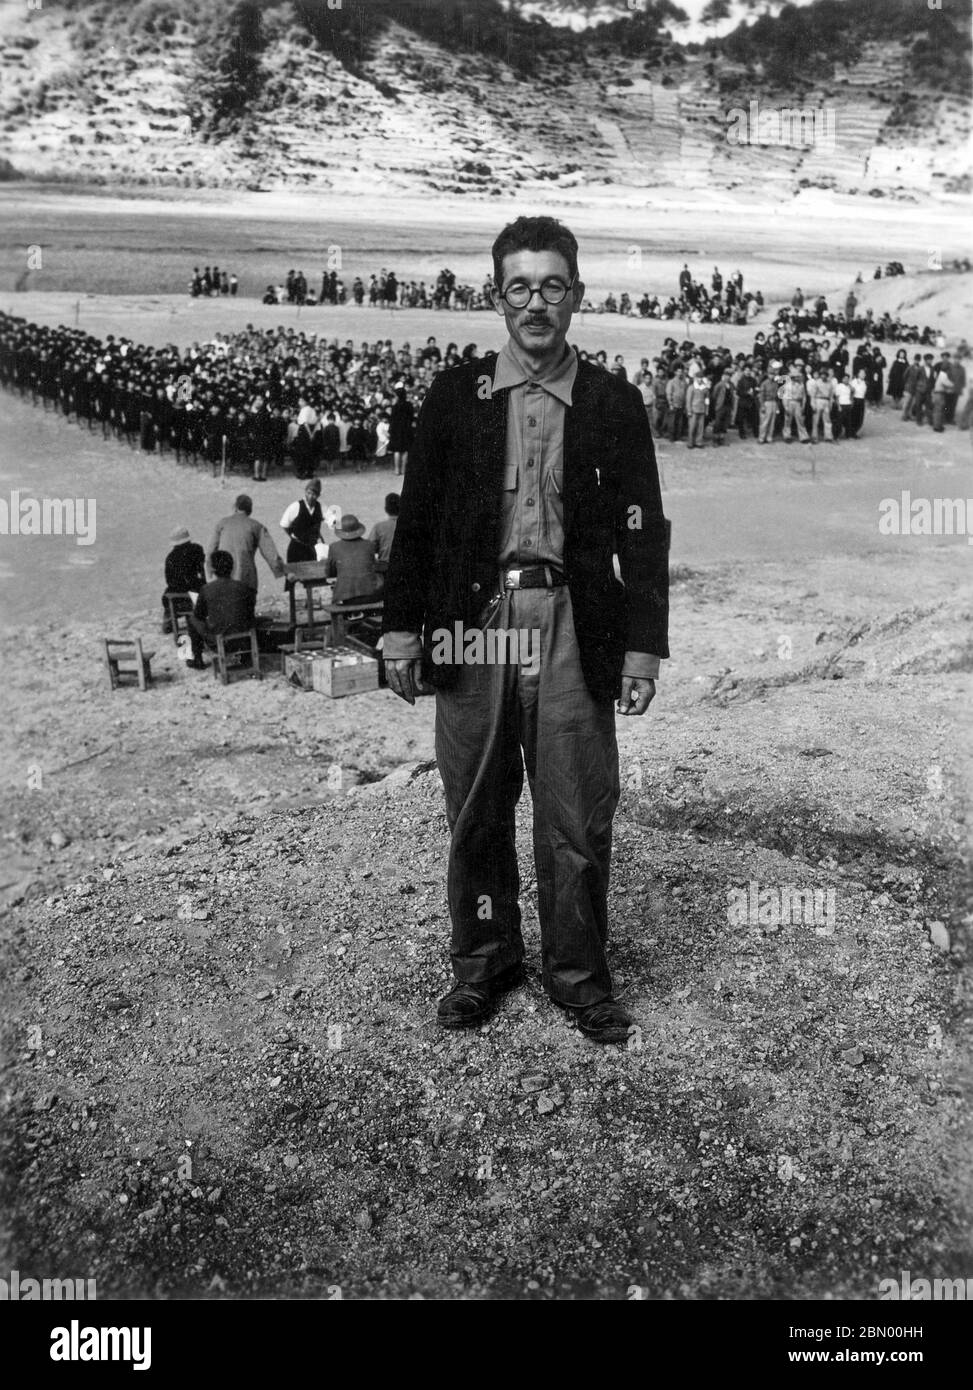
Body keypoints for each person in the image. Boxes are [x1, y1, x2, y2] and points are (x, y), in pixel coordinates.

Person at [381, 214, 669, 1044]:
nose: (535, 302)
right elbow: (422, 523)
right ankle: (484, 966)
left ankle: (578, 979)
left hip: (574, 624)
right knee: (474, 808)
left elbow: (643, 532)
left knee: (576, 815)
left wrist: (641, 647)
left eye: (551, 285)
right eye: (519, 286)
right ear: (495, 295)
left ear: (576, 295)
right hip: (474, 626)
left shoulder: (614, 402)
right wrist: (401, 633)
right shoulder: (453, 397)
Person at [187, 549, 256, 670]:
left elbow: (199, 616)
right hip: (245, 640)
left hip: (220, 643)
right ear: (232, 567)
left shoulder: (206, 589)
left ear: (213, 570)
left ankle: (197, 659)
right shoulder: (244, 587)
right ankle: (245, 655)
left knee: (193, 619)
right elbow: (250, 614)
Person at [207, 494, 285, 591]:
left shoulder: (222, 523)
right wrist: (281, 570)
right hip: (246, 577)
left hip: (223, 576)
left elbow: (211, 549)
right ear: (250, 509)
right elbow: (270, 553)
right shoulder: (256, 526)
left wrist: (210, 569)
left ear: (235, 507)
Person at [326, 513, 383, 605]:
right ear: (358, 529)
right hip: (370, 595)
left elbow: (329, 573)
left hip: (346, 598)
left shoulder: (334, 547)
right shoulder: (369, 545)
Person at [162, 524, 206, 631]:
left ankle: (169, 619)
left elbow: (169, 580)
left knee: (167, 595)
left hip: (178, 595)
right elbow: (202, 570)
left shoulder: (170, 557)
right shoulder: (197, 549)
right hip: (194, 590)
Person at [280, 479, 324, 570]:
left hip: (311, 547)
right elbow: (284, 525)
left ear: (318, 495)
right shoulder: (295, 506)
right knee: (291, 577)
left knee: (312, 576)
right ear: (305, 492)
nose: (311, 497)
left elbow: (330, 520)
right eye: (308, 493)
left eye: (314, 494)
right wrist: (293, 535)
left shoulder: (321, 507)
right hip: (296, 546)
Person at [369, 492, 399, 566]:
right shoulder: (411, 526)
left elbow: (369, 549)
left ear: (386, 509)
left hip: (385, 567)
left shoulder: (379, 527)